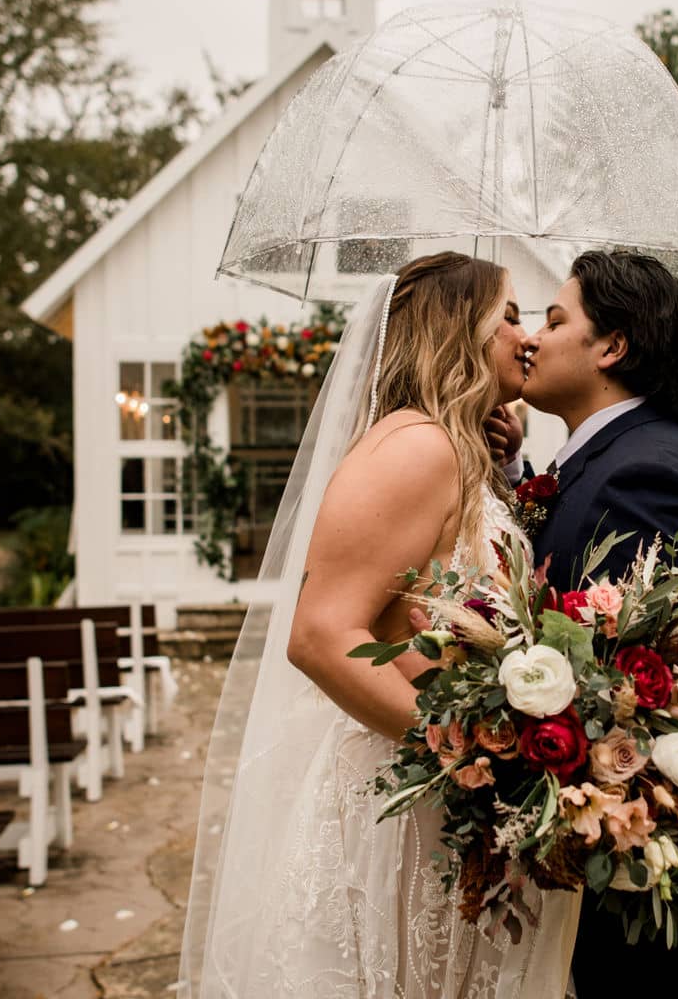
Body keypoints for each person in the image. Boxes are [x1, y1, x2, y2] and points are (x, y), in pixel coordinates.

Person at [179, 252, 580, 999]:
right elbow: (321, 635)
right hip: (407, 794)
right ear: (460, 332)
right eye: (512, 316)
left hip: (439, 802)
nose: (526, 337)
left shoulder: (453, 449)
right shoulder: (415, 446)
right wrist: (464, 758)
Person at [494, 249, 678, 998]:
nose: (533, 339)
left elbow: (620, 693)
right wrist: (514, 484)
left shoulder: (648, 476)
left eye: (554, 319)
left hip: (641, 899)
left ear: (612, 347)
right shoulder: (606, 460)